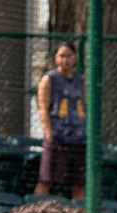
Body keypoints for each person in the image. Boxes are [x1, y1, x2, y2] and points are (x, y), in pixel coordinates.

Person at [34, 43, 84, 201]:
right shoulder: (49, 79)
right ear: (56, 58)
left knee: (79, 182)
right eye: (62, 56)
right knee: (46, 179)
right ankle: (36, 212)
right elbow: (43, 108)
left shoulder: (81, 80)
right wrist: (49, 135)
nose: (65, 60)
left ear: (75, 57)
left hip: (78, 138)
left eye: (69, 55)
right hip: (57, 137)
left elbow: (85, 106)